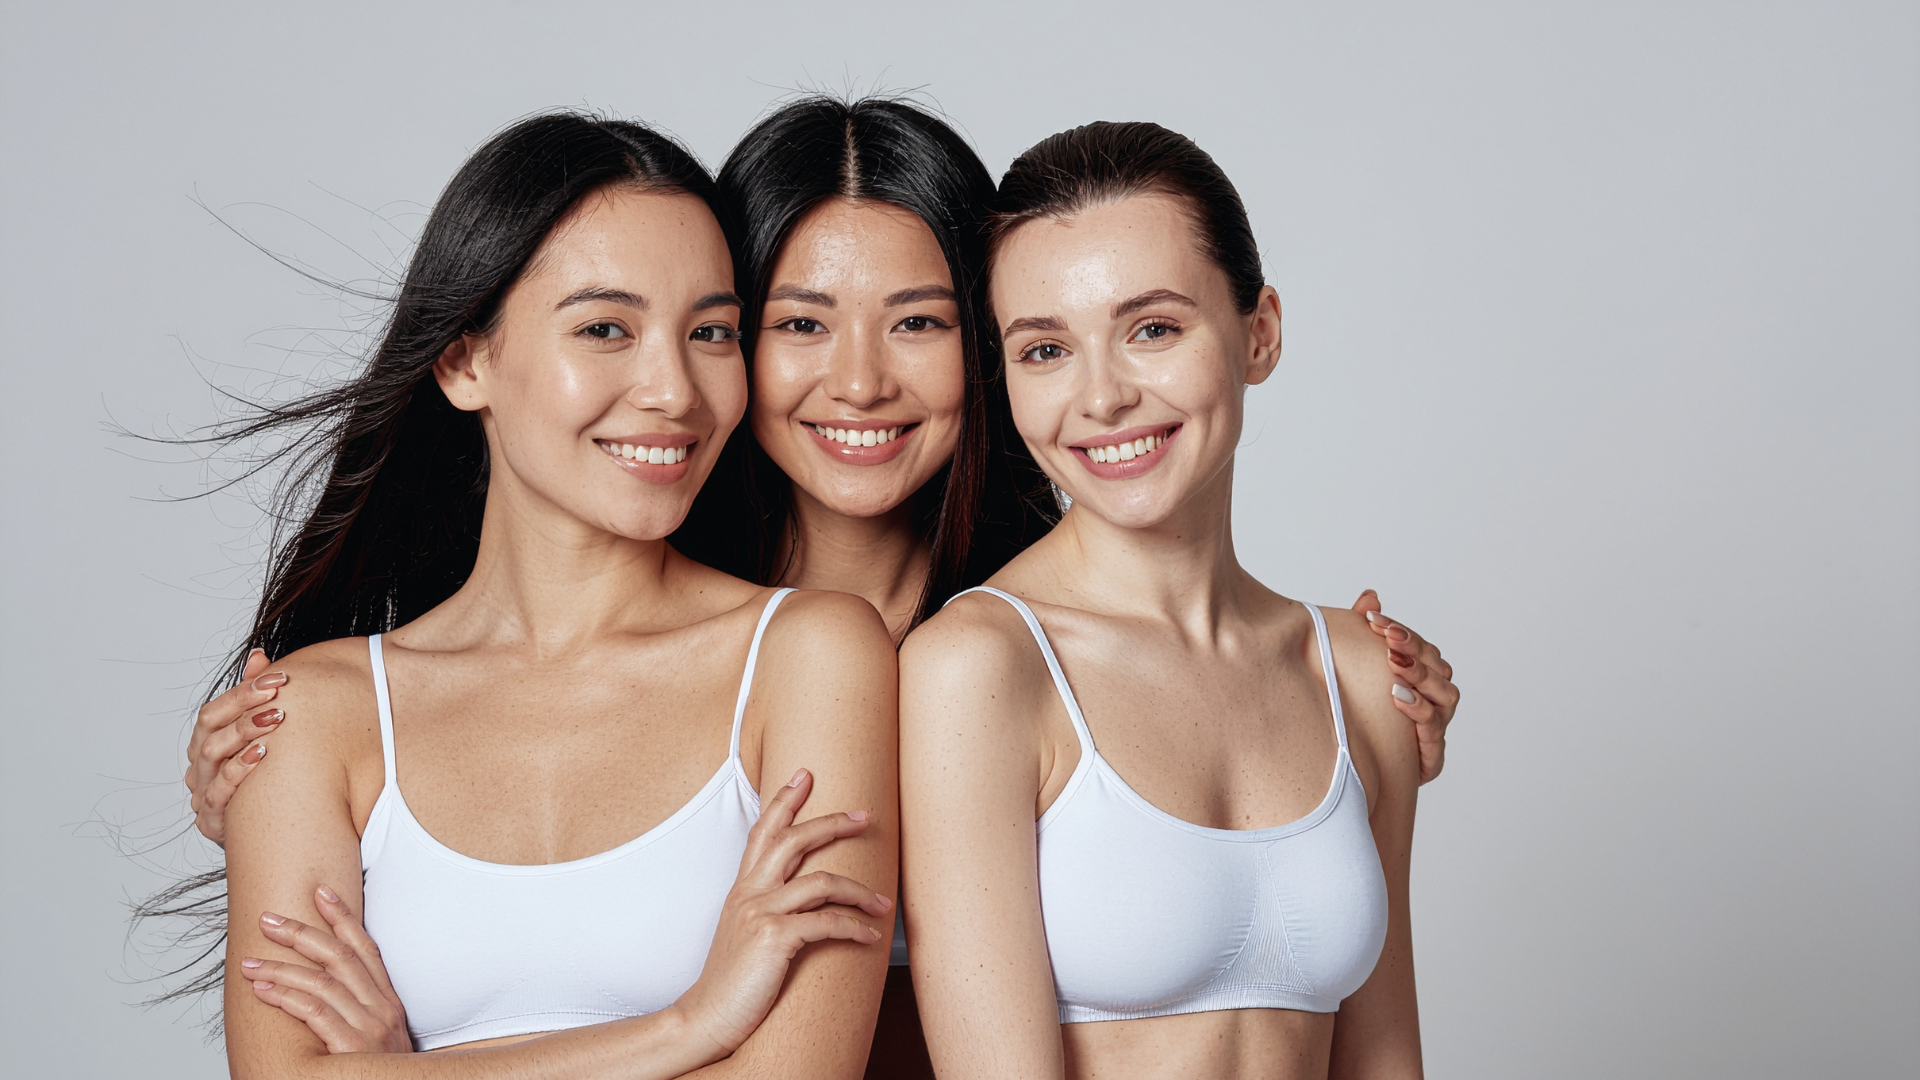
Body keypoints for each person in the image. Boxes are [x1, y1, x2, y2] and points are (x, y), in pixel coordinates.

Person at [176, 98, 1460, 1076]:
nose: (858, 382)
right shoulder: (794, 661)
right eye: (791, 322)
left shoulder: (982, 643)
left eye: (918, 320)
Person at [217, 112, 897, 1078]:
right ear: (464, 361)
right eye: (605, 329)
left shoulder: (812, 656)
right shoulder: (309, 713)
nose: (674, 390)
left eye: (711, 332)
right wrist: (689, 1027)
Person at [901, 121, 1432, 1079]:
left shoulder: (1358, 669)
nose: (1101, 398)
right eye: (1045, 349)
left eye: (1151, 329)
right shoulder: (980, 667)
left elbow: (1386, 1053)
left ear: (1258, 332)